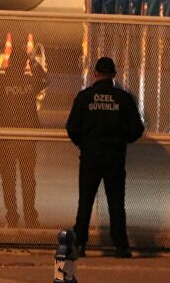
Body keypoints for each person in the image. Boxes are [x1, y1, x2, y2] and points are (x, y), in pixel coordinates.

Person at [66, 57, 144, 259]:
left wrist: (85, 143)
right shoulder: (123, 98)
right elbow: (137, 128)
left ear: (95, 74)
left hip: (90, 156)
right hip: (114, 157)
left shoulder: (85, 97)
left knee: (85, 201)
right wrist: (121, 140)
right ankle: (121, 245)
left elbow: (72, 127)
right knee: (116, 202)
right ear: (114, 75)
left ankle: (79, 243)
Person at [0, 51, 47, 228]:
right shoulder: (29, 82)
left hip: (7, 138)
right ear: (24, 64)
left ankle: (12, 216)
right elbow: (45, 80)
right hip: (27, 138)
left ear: (9, 63)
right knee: (28, 179)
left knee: (9, 180)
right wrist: (34, 62)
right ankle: (30, 216)